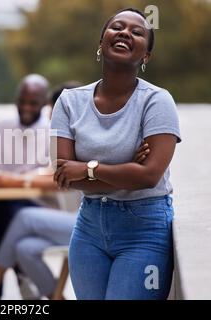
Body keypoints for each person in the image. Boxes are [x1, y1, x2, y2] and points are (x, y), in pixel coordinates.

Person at [0, 82, 150, 300]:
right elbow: (57, 173)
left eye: (59, 116)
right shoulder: (75, 143)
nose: (55, 125)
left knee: (23, 217)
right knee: (23, 248)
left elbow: (59, 177)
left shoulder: (95, 141)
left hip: (101, 223)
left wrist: (18, 181)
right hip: (81, 219)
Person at [51, 8, 181, 300]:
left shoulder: (157, 102)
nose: (125, 32)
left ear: (146, 56)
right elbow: (64, 176)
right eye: (117, 27)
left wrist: (87, 168)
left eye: (137, 32)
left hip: (145, 230)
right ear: (101, 43)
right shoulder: (69, 102)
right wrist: (126, 169)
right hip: (88, 231)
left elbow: (148, 176)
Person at [0, 74, 60, 297]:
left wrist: (15, 180)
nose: (25, 106)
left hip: (38, 206)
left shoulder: (54, 132)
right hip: (0, 203)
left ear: (44, 103)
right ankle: (18, 278)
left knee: (3, 212)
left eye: (33, 102)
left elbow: (56, 178)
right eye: (21, 100)